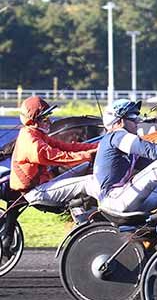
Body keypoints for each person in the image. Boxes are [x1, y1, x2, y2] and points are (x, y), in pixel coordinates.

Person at [1, 96, 98, 253]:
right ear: (35, 120)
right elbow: (60, 157)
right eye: (46, 118)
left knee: (86, 166)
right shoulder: (31, 142)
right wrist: (90, 154)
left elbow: (67, 146)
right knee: (87, 181)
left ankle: (84, 212)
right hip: (36, 193)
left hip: (43, 185)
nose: (50, 122)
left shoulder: (36, 134)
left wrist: (97, 146)